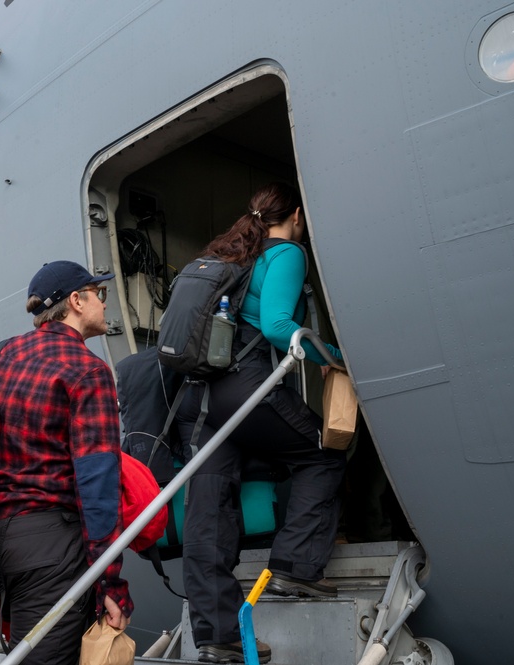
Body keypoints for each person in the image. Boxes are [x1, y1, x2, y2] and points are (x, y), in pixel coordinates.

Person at [177, 182, 347, 664]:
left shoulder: (232, 254)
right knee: (323, 454)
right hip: (246, 387)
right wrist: (332, 357)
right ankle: (295, 565)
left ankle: (216, 636)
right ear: (296, 214)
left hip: (201, 396)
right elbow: (275, 325)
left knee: (208, 509)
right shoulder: (287, 252)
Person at [0, 260, 133, 665]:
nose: (104, 304)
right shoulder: (87, 370)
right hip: (47, 547)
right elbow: (98, 488)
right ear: (76, 301)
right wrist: (110, 582)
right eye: (100, 294)